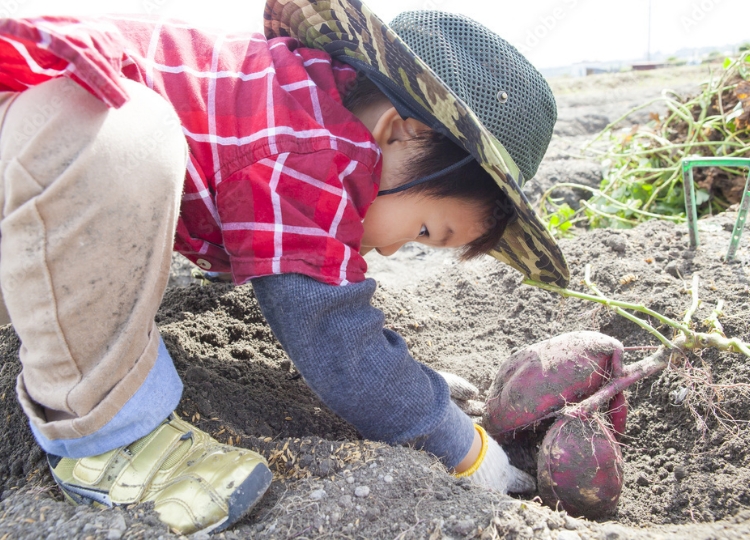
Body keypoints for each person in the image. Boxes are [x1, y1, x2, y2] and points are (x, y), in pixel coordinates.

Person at [0, 0, 569, 534]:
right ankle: (108, 435)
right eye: (424, 231)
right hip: (49, 135)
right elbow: (338, 344)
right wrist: (460, 446)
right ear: (399, 131)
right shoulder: (308, 153)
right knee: (122, 127)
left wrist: (415, 390)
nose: (395, 251)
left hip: (31, 213)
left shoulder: (306, 96)